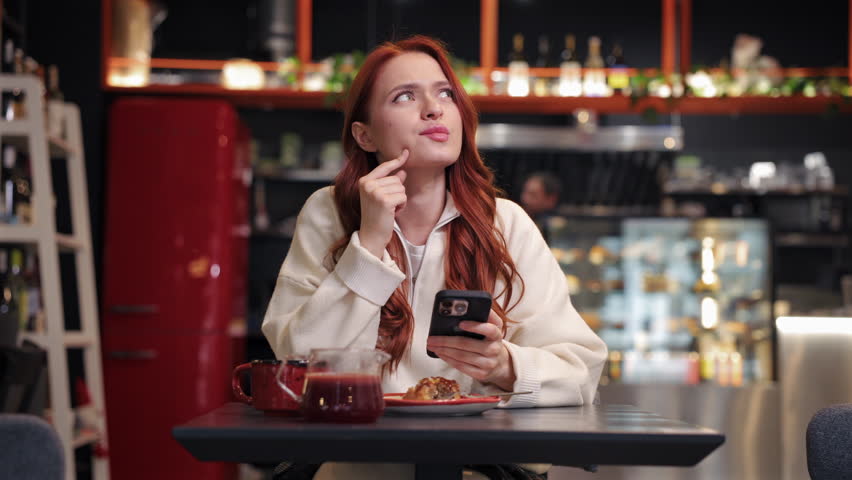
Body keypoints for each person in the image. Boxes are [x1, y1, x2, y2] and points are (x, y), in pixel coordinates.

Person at [262, 35, 607, 480]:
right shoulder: (328, 213)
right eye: (405, 96)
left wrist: (505, 367)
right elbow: (301, 366)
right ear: (364, 135)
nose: (434, 109)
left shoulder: (506, 224)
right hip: (360, 468)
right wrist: (368, 243)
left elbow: (583, 373)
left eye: (445, 93)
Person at [519, 172, 562, 243]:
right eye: (525, 192)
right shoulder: (520, 219)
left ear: (551, 199)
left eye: (533, 195)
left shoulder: (555, 222)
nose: (524, 199)